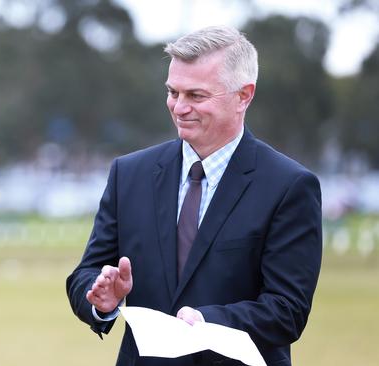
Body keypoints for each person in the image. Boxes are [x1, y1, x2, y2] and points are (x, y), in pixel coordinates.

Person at [66, 26, 322, 365]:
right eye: (173, 92)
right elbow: (86, 274)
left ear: (244, 95)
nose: (179, 107)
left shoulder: (289, 186)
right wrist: (101, 300)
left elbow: (287, 309)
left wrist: (206, 323)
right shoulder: (129, 174)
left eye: (196, 96)